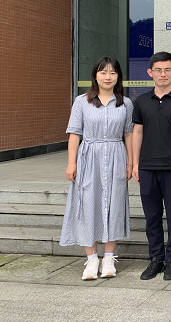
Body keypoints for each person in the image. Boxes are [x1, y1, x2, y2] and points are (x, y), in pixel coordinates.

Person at [60, 56, 133, 280]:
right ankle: (91, 260)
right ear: (95, 75)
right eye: (103, 72)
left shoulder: (125, 103)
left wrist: (131, 162)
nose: (108, 77)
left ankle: (108, 259)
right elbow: (75, 134)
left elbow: (129, 134)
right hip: (89, 157)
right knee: (87, 205)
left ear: (118, 76)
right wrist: (71, 163)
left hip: (116, 156)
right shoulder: (82, 101)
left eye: (112, 72)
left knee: (114, 205)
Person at [132, 51, 171, 281]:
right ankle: (156, 258)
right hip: (147, 166)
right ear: (150, 72)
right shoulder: (141, 101)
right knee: (152, 216)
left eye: (167, 69)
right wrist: (135, 163)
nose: (163, 74)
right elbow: (137, 133)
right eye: (158, 70)